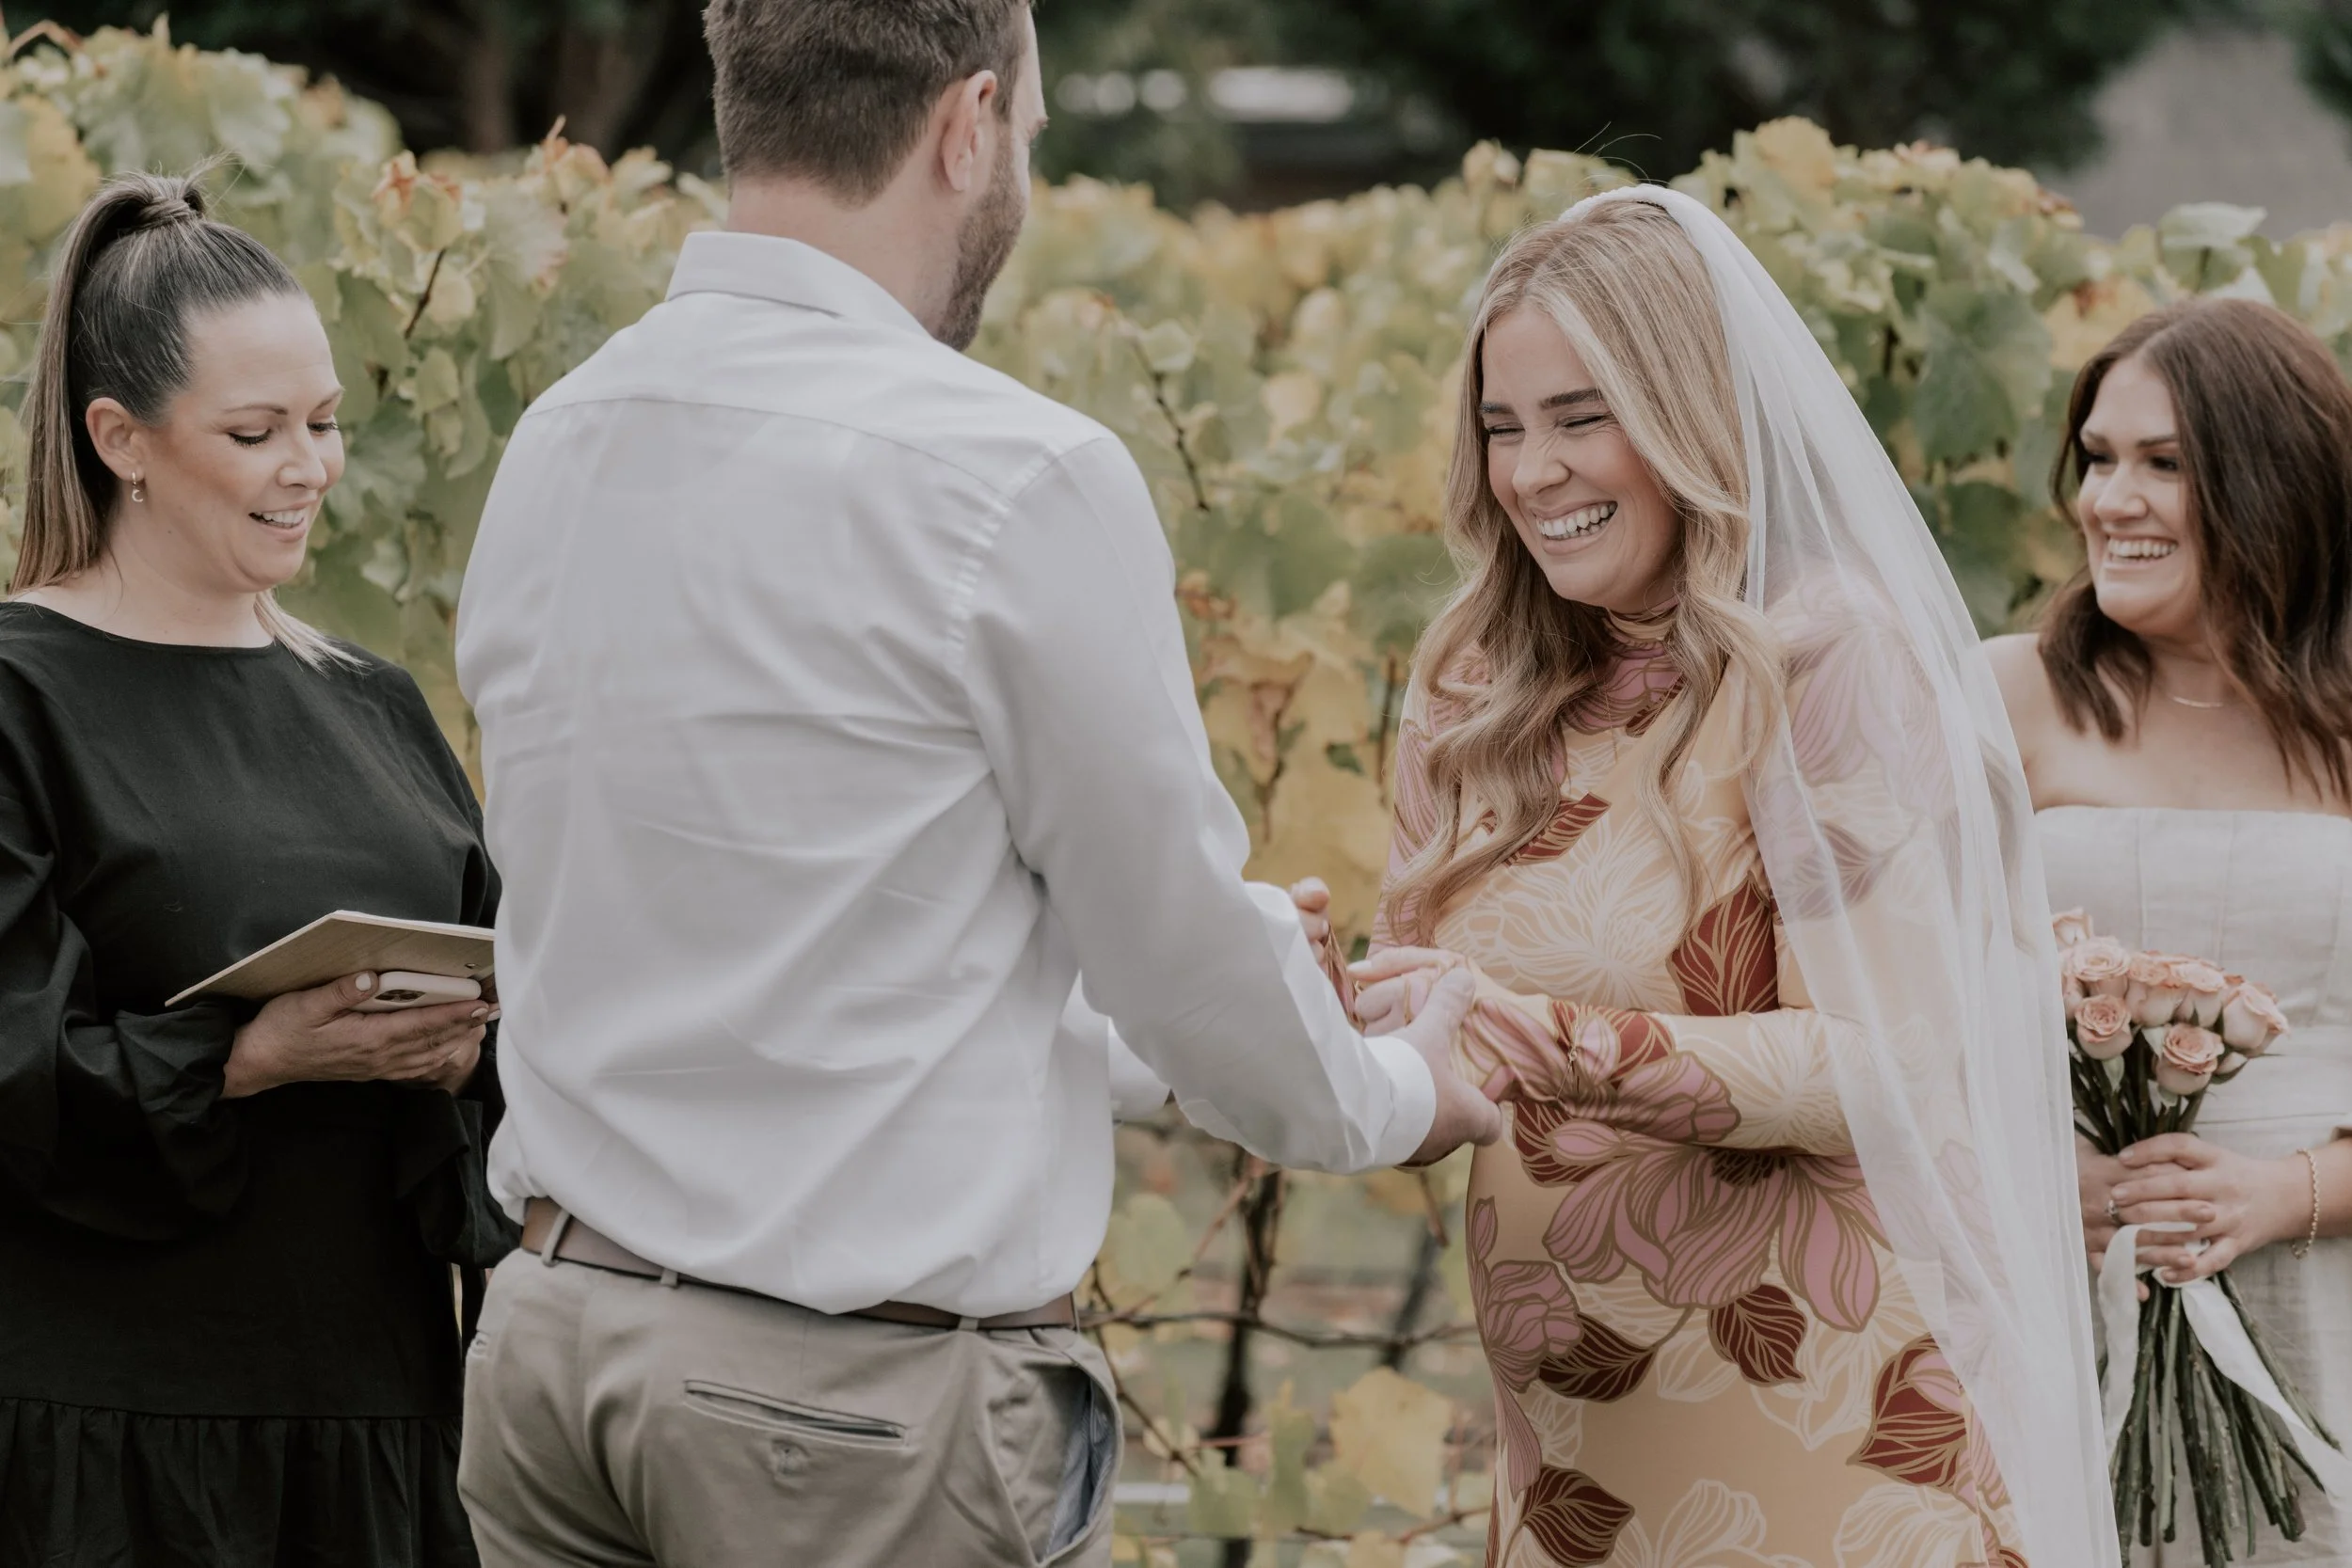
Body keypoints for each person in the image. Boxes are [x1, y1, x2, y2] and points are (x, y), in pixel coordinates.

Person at [448, 4, 1501, 1565]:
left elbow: (792, 940)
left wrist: (1228, 995)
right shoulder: (1011, 472)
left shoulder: (561, 436)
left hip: (549, 1361)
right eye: (1035, 137)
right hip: (842, 1419)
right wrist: (1397, 1091)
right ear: (969, 123)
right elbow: (1180, 964)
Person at [1306, 188, 2114, 1565]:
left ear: (1689, 411)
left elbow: (1878, 1065)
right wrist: (1331, 1003)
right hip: (1573, 1450)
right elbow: (1441, 1048)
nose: (1534, 471)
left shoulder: (1824, 657)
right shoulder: (1466, 684)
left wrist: (1539, 1033)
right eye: (1504, 428)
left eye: (1580, 417)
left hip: (1822, 1425)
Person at [0, 172, 511, 1568]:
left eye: (328, 422)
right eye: (257, 430)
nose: (313, 465)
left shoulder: (376, 702)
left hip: (377, 1422)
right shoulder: (16, 694)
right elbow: (10, 1071)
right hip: (105, 1448)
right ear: (122, 439)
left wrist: (466, 1042)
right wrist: (251, 1057)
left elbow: (510, 1017)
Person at [1991, 296, 2352, 1562]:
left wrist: (2286, 1193)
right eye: (2097, 458)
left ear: (2273, 480)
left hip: (2328, 1290)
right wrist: (2043, 1185)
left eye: (2163, 463)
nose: (2109, 499)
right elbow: (1890, 1008)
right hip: (2052, 1280)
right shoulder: (2005, 700)